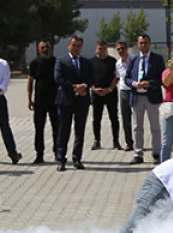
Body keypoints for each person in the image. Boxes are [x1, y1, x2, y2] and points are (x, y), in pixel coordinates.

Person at [54, 34, 95, 171]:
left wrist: (84, 86)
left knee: (80, 130)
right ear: (68, 45)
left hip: (82, 100)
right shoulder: (61, 61)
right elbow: (58, 78)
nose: (76, 48)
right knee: (63, 130)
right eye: (73, 45)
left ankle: (77, 158)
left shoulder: (86, 62)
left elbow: (91, 78)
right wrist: (74, 88)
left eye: (78, 46)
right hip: (66, 100)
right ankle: (61, 159)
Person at [125, 34, 165, 164]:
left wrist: (150, 83)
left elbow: (162, 78)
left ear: (150, 44)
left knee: (155, 127)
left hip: (152, 97)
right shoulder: (132, 59)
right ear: (138, 44)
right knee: (137, 127)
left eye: (146, 43)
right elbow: (126, 78)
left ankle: (157, 153)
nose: (143, 45)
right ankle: (138, 154)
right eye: (141, 43)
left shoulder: (157, 59)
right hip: (137, 97)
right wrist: (134, 84)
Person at [27, 41, 59, 164]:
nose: (45, 49)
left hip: (55, 100)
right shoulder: (35, 63)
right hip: (40, 101)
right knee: (39, 128)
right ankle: (39, 154)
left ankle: (58, 152)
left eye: (47, 47)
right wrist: (29, 99)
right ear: (39, 50)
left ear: (51, 48)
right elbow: (30, 81)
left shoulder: (57, 62)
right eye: (43, 47)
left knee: (56, 127)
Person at [90, 41, 119, 150]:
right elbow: (88, 78)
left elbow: (116, 77)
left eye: (104, 49)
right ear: (96, 49)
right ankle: (97, 140)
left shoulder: (112, 61)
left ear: (107, 49)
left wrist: (110, 89)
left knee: (114, 117)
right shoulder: (91, 62)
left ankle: (116, 141)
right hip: (96, 93)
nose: (101, 51)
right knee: (96, 118)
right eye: (99, 49)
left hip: (110, 93)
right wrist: (94, 89)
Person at [114, 41, 134, 151]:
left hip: (134, 91)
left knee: (137, 119)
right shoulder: (118, 64)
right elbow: (118, 77)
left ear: (127, 49)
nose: (121, 51)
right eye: (118, 49)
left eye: (123, 48)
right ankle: (129, 142)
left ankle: (139, 142)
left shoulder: (134, 60)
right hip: (123, 92)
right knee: (126, 119)